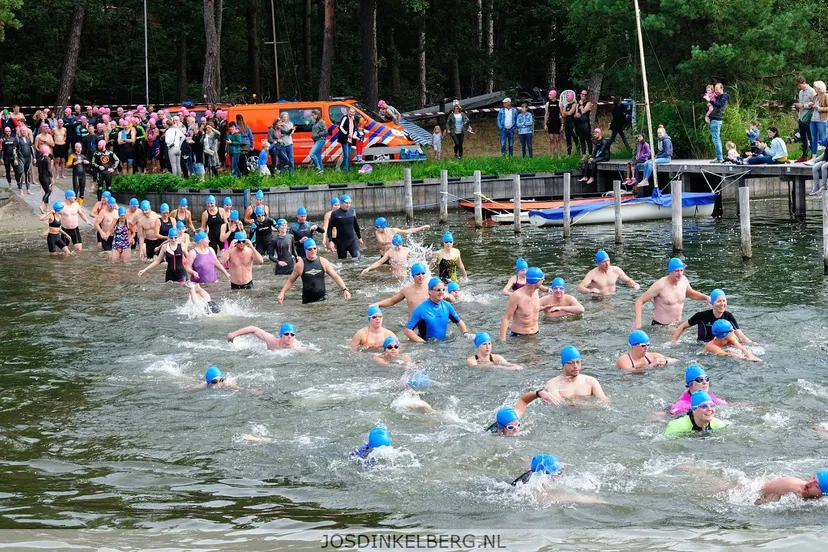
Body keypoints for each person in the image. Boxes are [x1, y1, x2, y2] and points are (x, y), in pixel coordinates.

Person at [633, 258, 709, 329]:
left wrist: (707, 298)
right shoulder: (660, 285)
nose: (680, 274)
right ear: (670, 271)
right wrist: (638, 321)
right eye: (676, 271)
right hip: (660, 327)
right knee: (682, 336)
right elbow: (640, 301)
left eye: (681, 270)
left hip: (677, 324)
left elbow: (691, 294)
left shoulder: (684, 281)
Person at [278, 239, 351, 304]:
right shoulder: (300, 265)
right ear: (305, 250)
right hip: (307, 302)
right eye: (310, 249)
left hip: (323, 300)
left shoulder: (323, 262)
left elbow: (335, 276)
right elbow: (291, 280)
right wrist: (282, 293)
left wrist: (344, 289)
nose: (313, 251)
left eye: (314, 248)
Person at [671, 288, 751, 344]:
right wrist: (673, 342)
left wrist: (754, 345)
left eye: (724, 301)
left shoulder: (728, 316)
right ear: (712, 303)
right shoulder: (701, 316)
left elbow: (741, 337)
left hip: (720, 344)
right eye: (719, 301)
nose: (722, 304)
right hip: (701, 346)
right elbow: (682, 327)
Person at [404, 277, 471, 342]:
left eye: (443, 290)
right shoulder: (421, 309)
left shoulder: (447, 306)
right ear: (430, 291)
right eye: (438, 290)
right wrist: (422, 342)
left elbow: (458, 321)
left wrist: (465, 333)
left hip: (444, 343)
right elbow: (408, 331)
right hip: (428, 348)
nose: (441, 292)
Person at [537, 345, 609, 405]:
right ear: (563, 364)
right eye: (571, 363)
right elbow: (557, 404)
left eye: (578, 362)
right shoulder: (553, 384)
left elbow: (604, 402)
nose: (575, 366)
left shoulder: (590, 381)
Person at [499, 267, 544, 340]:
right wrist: (502, 340)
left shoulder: (536, 291)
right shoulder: (517, 296)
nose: (543, 281)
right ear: (537, 282)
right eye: (542, 279)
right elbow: (506, 318)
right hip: (519, 337)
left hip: (535, 335)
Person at [755, 471, 828, 505]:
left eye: (816, 486)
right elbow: (760, 501)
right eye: (813, 478)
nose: (808, 484)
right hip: (753, 493)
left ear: (823, 493)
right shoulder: (794, 491)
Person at [325, 194, 363, 259]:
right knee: (342, 262)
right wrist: (330, 241)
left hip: (352, 241)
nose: (348, 205)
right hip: (341, 242)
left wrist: (359, 237)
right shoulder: (335, 213)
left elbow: (356, 225)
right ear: (341, 203)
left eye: (349, 203)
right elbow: (330, 227)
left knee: (357, 257)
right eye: (346, 203)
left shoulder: (352, 211)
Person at [227, 322, 300, 350]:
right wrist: (233, 334)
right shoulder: (272, 341)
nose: (289, 336)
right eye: (286, 334)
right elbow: (253, 329)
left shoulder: (295, 348)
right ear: (281, 335)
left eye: (292, 334)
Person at [794, 76, 816, 163]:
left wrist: (803, 105)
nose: (799, 87)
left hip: (809, 116)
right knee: (803, 137)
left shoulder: (811, 91)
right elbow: (801, 103)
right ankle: (804, 155)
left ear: (803, 82)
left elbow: (814, 102)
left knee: (810, 136)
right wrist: (797, 106)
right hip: (801, 116)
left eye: (799, 85)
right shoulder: (800, 92)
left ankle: (813, 156)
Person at [708, 82, 729, 163]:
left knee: (716, 139)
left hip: (716, 119)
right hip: (714, 119)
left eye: (717, 89)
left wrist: (710, 100)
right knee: (715, 139)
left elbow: (719, 105)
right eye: (715, 89)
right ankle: (719, 157)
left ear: (722, 88)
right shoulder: (719, 97)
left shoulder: (724, 96)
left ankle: (719, 158)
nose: (716, 91)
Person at [810, 80, 828, 160]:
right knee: (813, 138)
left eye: (815, 87)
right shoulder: (815, 96)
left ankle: (825, 155)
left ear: (819, 88)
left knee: (823, 137)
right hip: (813, 119)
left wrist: (819, 108)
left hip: (822, 119)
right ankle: (813, 156)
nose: (814, 88)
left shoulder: (825, 96)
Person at [337, 107, 357, 172]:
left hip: (350, 140)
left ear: (354, 113)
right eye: (350, 111)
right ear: (348, 112)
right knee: (346, 155)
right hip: (345, 139)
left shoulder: (353, 119)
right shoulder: (345, 117)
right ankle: (346, 170)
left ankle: (347, 168)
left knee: (348, 155)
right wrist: (346, 133)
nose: (351, 113)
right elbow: (340, 126)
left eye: (353, 112)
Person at [543, 90, 562, 158]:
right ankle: (552, 155)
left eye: (550, 95)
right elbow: (546, 114)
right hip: (550, 123)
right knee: (551, 139)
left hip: (557, 122)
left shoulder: (559, 103)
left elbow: (562, 114)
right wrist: (545, 124)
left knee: (557, 139)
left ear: (554, 95)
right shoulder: (548, 103)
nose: (548, 96)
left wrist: (562, 124)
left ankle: (559, 155)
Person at [574, 90, 594, 156]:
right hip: (579, 123)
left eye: (585, 95)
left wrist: (582, 104)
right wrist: (576, 115)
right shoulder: (577, 103)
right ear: (580, 95)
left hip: (585, 123)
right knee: (581, 139)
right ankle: (584, 154)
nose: (583, 96)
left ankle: (591, 154)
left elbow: (583, 111)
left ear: (586, 96)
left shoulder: (588, 103)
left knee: (588, 138)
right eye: (582, 94)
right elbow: (576, 113)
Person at [36, 144, 54, 211]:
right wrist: (52, 177)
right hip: (46, 176)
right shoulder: (47, 159)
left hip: (40, 176)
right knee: (48, 192)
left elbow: (37, 166)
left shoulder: (40, 158)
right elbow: (49, 169)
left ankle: (47, 206)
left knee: (46, 191)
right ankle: (42, 204)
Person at [309, 109, 326, 173]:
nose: (312, 116)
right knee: (318, 157)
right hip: (316, 140)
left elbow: (325, 131)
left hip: (320, 140)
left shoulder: (321, 121)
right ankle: (321, 172)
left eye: (313, 115)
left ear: (317, 115)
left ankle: (317, 167)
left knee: (312, 154)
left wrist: (317, 135)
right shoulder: (315, 122)